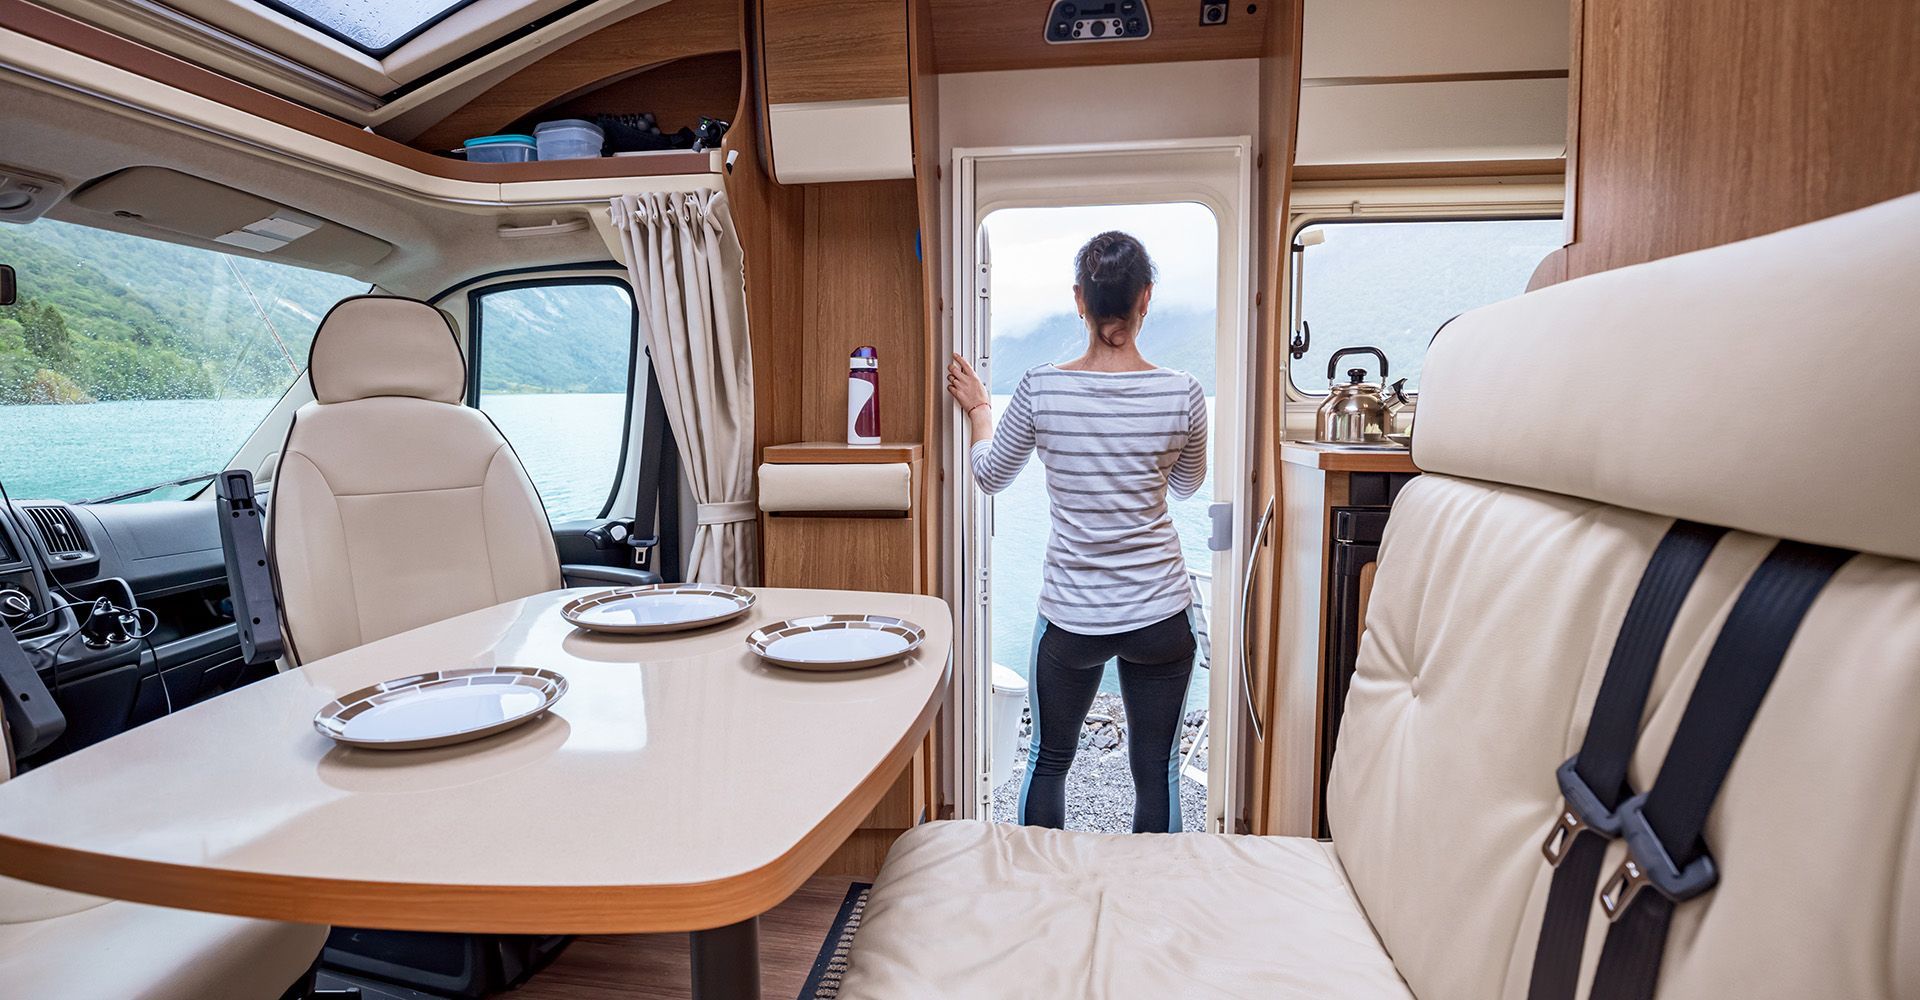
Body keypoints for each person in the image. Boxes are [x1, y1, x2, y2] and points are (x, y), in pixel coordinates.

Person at [946, 230, 1207, 833]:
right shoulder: (1185, 392)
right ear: (1146, 298)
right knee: (1157, 769)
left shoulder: (1040, 388)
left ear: (1078, 301)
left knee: (1049, 760)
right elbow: (1188, 485)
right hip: (1162, 615)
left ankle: (1042, 898)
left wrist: (981, 409)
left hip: (1071, 619)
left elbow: (987, 475)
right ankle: (1151, 905)